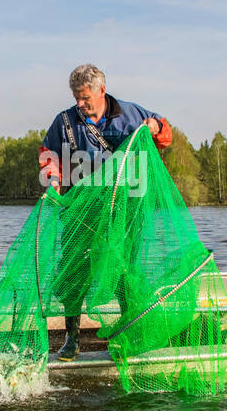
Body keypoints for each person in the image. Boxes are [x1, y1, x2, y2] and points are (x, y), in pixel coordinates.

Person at [38, 65, 173, 361]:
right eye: (76, 97)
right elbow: (48, 155)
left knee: (124, 269)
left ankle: (130, 330)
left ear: (101, 90)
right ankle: (71, 338)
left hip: (124, 210)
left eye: (85, 97)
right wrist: (53, 180)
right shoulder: (64, 122)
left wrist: (155, 128)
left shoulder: (131, 113)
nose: (79, 104)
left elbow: (166, 136)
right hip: (79, 212)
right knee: (73, 271)